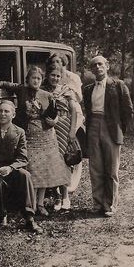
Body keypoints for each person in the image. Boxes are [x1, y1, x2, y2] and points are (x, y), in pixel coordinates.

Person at [0, 66, 71, 216]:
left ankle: (40, 203)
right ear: (28, 79)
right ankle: (29, 203)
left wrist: (54, 120)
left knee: (44, 169)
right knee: (31, 169)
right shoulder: (21, 89)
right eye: (33, 78)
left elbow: (54, 114)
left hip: (45, 136)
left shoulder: (47, 95)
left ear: (41, 79)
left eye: (38, 78)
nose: (36, 81)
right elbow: (5, 83)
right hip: (28, 135)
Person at [83, 56, 133, 217]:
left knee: (111, 169)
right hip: (93, 127)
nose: (98, 67)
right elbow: (88, 111)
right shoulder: (88, 89)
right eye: (94, 65)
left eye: (100, 64)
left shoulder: (118, 85)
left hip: (111, 127)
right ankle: (97, 203)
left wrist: (119, 129)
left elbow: (128, 110)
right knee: (95, 167)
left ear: (107, 66)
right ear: (91, 70)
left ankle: (110, 204)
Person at [0, 100, 42, 233]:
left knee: (25, 175)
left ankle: (29, 218)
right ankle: (1, 215)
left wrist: (10, 168)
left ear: (13, 115)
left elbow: (23, 158)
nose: (2, 114)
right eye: (0, 111)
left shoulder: (19, 132)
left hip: (11, 168)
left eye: (6, 111)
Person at [41, 63, 77, 211]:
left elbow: (73, 111)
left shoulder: (66, 90)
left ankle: (65, 196)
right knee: (51, 162)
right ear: (47, 76)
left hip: (63, 126)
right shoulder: (42, 90)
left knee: (63, 162)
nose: (55, 78)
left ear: (61, 77)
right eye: (52, 75)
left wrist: (72, 131)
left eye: (58, 76)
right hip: (48, 128)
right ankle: (56, 196)